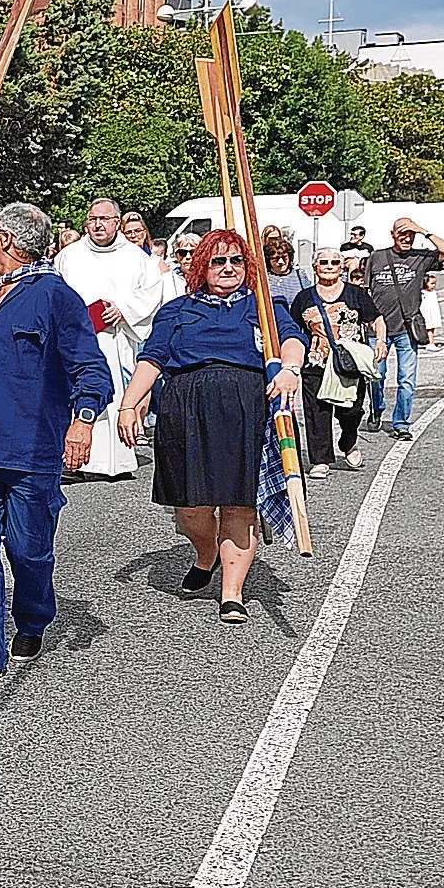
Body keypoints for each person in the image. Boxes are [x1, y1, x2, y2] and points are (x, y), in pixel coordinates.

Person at [0, 203, 109, 688]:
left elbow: (90, 368)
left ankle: (34, 615)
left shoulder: (56, 297)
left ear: (9, 242)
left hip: (31, 452)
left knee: (27, 549)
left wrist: (81, 422)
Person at [116, 230, 304, 625]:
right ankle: (207, 554)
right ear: (202, 267)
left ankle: (231, 593)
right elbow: (152, 359)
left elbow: (291, 340)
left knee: (239, 502)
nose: (229, 268)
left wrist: (289, 370)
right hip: (186, 410)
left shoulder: (264, 306)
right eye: (219, 261)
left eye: (237, 260)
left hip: (247, 408)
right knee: (190, 509)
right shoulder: (177, 310)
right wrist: (129, 404)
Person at [56, 198, 169, 480]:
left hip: (115, 339)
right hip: (75, 341)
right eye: (93, 219)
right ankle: (73, 460)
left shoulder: (134, 257)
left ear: (116, 223)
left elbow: (152, 293)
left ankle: (112, 462)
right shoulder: (69, 256)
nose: (97, 224)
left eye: (104, 219)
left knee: (113, 393)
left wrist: (124, 309)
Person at [362, 216, 444, 440]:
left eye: (410, 234)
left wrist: (423, 230)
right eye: (401, 233)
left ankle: (401, 422)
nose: (406, 237)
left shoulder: (420, 257)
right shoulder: (376, 257)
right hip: (379, 329)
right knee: (376, 376)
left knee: (406, 379)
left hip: (407, 328)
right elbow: (365, 290)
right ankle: (376, 408)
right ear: (392, 234)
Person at [291, 252, 384, 476]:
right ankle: (320, 460)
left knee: (351, 410)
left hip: (349, 363)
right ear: (315, 267)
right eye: (324, 262)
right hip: (316, 361)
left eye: (335, 262)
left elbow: (376, 319)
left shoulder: (355, 294)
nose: (329, 266)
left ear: (342, 267)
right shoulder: (304, 297)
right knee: (317, 411)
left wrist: (380, 340)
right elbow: (292, 329)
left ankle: (348, 440)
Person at [259, 227, 304, 307]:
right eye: (275, 259)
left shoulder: (300, 275)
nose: (281, 262)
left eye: (284, 258)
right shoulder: (263, 277)